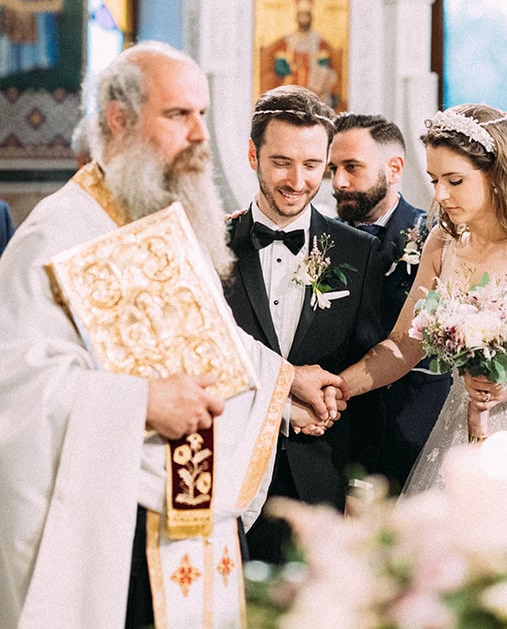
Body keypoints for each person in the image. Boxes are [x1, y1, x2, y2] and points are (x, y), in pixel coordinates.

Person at [0, 42, 344, 629]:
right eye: (178, 115)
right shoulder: (56, 235)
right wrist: (143, 403)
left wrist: (286, 384)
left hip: (189, 516)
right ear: (119, 119)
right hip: (115, 532)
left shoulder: (154, 217)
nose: (199, 135)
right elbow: (18, 388)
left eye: (203, 115)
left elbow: (212, 341)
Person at [337, 103, 507, 495]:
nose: (439, 193)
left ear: (496, 174)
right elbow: (405, 344)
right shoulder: (442, 242)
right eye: (434, 179)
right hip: (457, 431)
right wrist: (339, 388)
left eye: (454, 180)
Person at [224, 85, 383, 562]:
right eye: (281, 162)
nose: (297, 180)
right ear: (253, 154)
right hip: (226, 480)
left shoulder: (359, 251)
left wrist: (361, 485)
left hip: (319, 483)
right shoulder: (210, 244)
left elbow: (367, 373)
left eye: (312, 165)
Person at [329, 112, 451, 492]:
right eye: (332, 168)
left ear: (394, 168)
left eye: (352, 167)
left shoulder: (435, 238)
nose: (337, 182)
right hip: (336, 433)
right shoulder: (322, 244)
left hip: (414, 431)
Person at [259, 0, 341, 108]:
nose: (304, 19)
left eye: (306, 16)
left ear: (311, 17)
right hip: (291, 89)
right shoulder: (286, 41)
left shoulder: (320, 42)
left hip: (314, 92)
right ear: (297, 17)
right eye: (301, 16)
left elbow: (328, 66)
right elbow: (276, 66)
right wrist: (287, 68)